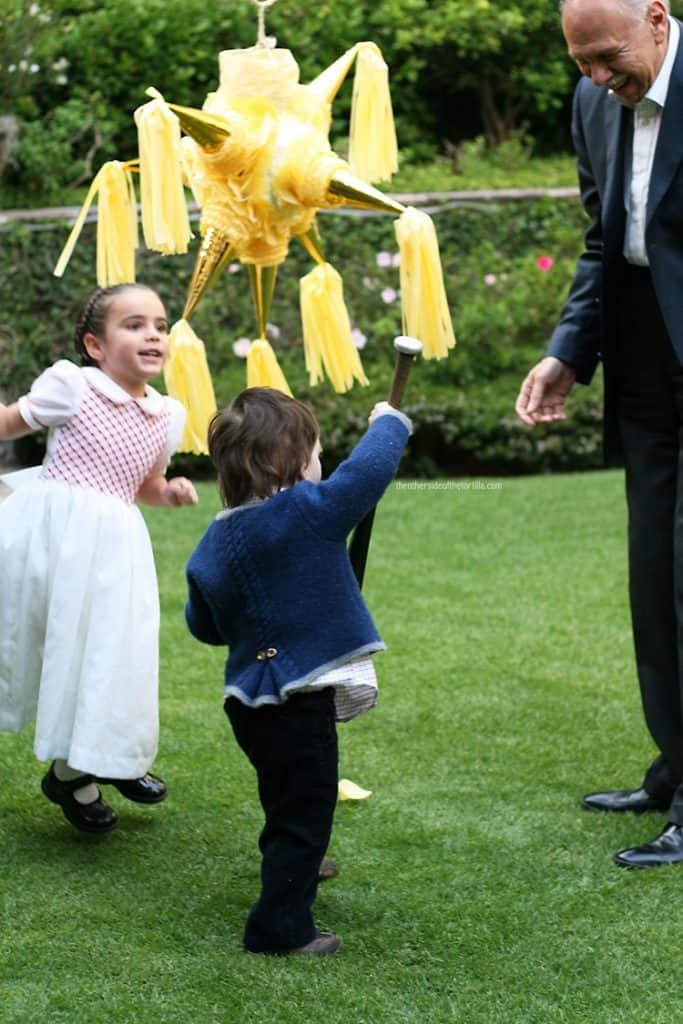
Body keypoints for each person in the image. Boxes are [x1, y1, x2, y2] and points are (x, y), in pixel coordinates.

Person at [515, 0, 683, 868]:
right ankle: (676, 763)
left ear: (657, 17)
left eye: (607, 56)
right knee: (652, 572)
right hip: (644, 363)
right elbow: (601, 241)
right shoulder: (594, 101)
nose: (594, 78)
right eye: (579, 62)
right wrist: (566, 355)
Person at [184, 387, 411, 955]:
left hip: (249, 706)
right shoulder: (307, 512)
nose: (321, 464)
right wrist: (390, 423)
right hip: (297, 702)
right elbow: (367, 475)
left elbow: (204, 625)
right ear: (283, 464)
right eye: (313, 453)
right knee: (306, 808)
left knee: (286, 798)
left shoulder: (215, 540)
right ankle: (279, 929)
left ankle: (297, 866)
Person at [0, 283, 198, 834]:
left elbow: (145, 485)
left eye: (159, 324)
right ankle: (75, 772)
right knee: (70, 650)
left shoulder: (166, 414)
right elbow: (8, 423)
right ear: (95, 344)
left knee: (117, 651)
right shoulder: (72, 386)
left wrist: (172, 491)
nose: (153, 333)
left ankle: (111, 755)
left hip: (116, 546)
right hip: (58, 540)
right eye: (133, 325)